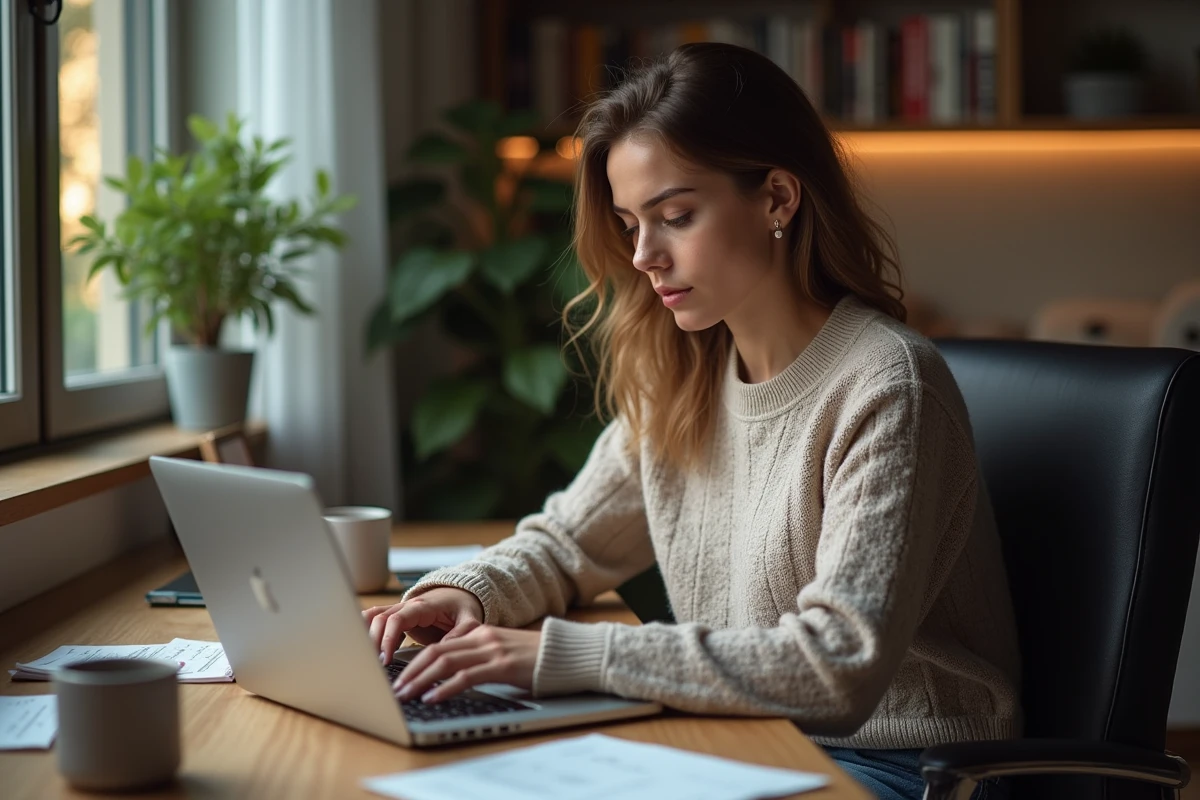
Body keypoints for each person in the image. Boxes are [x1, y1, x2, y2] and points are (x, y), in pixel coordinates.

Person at [363, 42, 1020, 800]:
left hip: (905, 766)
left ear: (778, 197)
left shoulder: (886, 383)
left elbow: (838, 665)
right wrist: (467, 593)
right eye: (629, 224)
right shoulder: (686, 373)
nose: (644, 255)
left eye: (675, 216)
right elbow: (572, 543)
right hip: (741, 736)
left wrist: (565, 654)